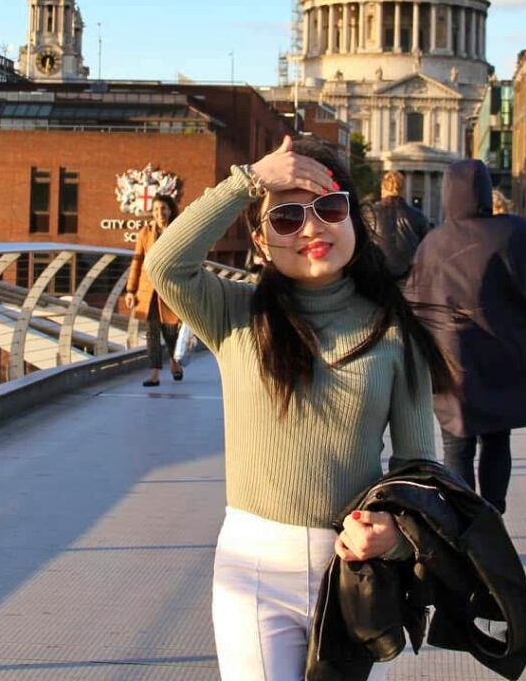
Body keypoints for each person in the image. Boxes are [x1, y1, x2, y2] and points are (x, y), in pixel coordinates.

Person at [144, 136, 450, 681]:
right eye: (286, 217)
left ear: (354, 218)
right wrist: (247, 181)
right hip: (253, 569)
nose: (312, 228)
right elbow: (166, 265)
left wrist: (396, 537)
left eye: (329, 208)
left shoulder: (392, 331)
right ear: (260, 242)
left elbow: (418, 470)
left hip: (352, 573)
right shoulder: (235, 315)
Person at [405, 159, 526, 515]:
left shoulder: (434, 241)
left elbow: (416, 297)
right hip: (503, 352)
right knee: (498, 437)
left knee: (456, 445)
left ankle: (465, 521)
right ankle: (493, 512)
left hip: (451, 359)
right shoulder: (515, 232)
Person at [124, 194, 184, 387]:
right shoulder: (145, 233)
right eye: (156, 209)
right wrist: (130, 290)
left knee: (170, 331)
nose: (160, 213)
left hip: (169, 289)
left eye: (164, 209)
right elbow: (136, 261)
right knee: (151, 332)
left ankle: (174, 362)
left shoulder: (178, 231)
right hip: (148, 291)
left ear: (170, 210)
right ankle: (154, 374)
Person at [367, 169, 431, 280]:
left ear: (382, 189)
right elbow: (428, 249)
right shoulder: (418, 216)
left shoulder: (369, 214)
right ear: (403, 190)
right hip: (408, 280)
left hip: (377, 278)